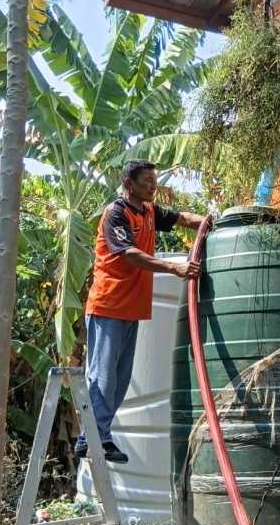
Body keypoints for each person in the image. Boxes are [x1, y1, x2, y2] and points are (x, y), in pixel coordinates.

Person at [75, 160, 205, 464]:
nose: (153, 185)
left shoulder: (148, 211)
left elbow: (184, 218)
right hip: (108, 305)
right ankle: (97, 438)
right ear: (128, 183)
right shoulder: (116, 213)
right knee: (103, 378)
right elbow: (131, 255)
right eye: (146, 180)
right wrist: (175, 268)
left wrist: (213, 221)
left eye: (154, 180)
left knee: (120, 381)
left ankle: (90, 438)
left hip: (131, 308)